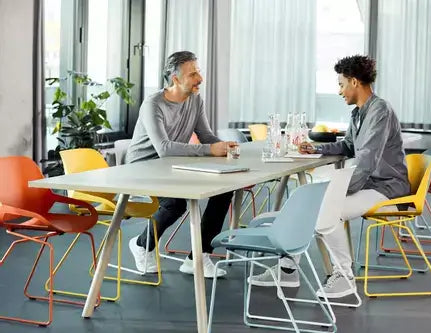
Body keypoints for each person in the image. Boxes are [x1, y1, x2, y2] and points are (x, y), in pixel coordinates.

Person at [250, 55, 410, 298]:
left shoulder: (380, 111)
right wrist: (316, 149)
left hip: (386, 187)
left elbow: (366, 161)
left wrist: (339, 190)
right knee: (311, 206)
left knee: (326, 209)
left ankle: (344, 276)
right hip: (370, 183)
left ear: (354, 82)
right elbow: (348, 146)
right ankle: (287, 271)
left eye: (341, 84)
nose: (339, 91)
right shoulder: (358, 113)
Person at [125, 51, 237, 278]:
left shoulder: (195, 100)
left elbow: (206, 137)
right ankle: (141, 244)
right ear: (175, 79)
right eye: (193, 74)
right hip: (142, 168)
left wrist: (225, 147)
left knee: (225, 189)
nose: (200, 79)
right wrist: (209, 150)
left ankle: (198, 256)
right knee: (175, 204)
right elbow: (164, 148)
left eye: (199, 72)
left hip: (172, 166)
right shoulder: (153, 104)